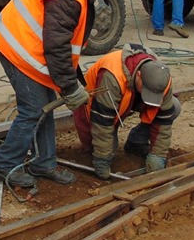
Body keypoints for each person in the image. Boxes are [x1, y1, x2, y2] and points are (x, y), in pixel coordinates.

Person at [0, 0, 121, 188]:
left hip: (29, 47)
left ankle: (44, 162)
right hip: (17, 48)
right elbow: (57, 46)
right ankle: (4, 165)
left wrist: (73, 80)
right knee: (33, 110)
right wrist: (70, 87)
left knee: (44, 106)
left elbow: (65, 44)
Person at [74, 44, 180, 177]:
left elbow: (163, 121)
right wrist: (102, 159)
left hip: (129, 97)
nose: (150, 96)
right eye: (147, 90)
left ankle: (136, 142)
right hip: (93, 107)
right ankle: (100, 153)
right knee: (103, 150)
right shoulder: (112, 76)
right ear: (139, 75)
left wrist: (158, 155)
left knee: (173, 107)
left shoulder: (161, 78)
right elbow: (102, 122)